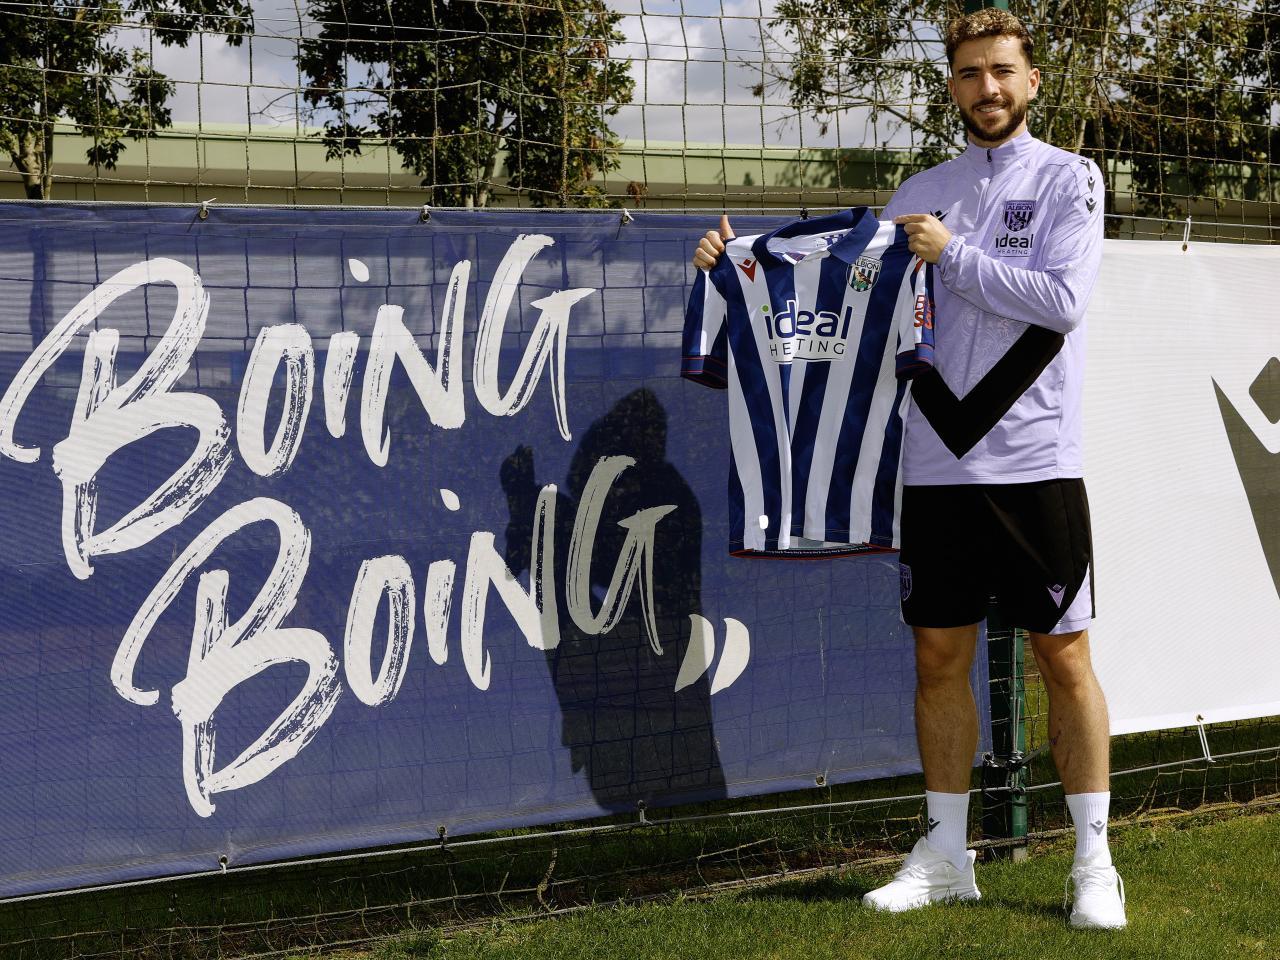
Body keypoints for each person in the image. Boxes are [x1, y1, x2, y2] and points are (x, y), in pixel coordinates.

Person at [691, 8, 1126, 929]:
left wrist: (953, 255)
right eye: (969, 74)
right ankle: (944, 854)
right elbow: (844, 310)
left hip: (1037, 465)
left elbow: (1064, 300)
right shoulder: (918, 188)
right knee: (938, 659)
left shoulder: (1069, 180)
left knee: (1064, 656)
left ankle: (1094, 860)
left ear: (1032, 80)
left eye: (1002, 71)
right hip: (932, 469)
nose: (987, 90)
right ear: (953, 85)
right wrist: (736, 271)